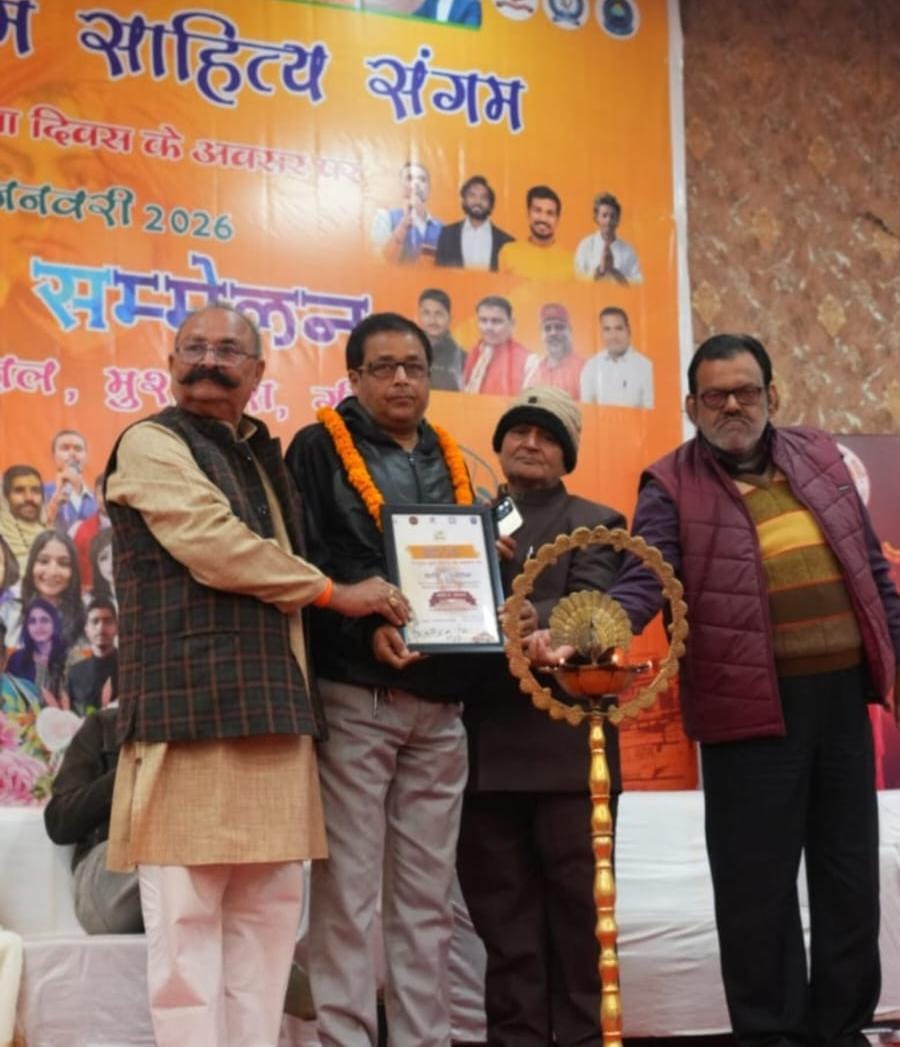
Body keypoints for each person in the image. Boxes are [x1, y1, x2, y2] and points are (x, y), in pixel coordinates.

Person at [103, 303, 407, 1046]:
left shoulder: (261, 454)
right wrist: (337, 593)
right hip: (186, 713)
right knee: (184, 932)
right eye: (194, 347)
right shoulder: (150, 442)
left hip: (274, 712)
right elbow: (215, 544)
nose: (209, 361)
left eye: (229, 350)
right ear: (170, 362)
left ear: (258, 370)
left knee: (266, 933)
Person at [598, 334, 900, 1047]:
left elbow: (870, 569)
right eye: (716, 395)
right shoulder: (669, 483)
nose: (732, 405)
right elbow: (646, 579)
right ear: (691, 404)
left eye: (746, 391)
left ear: (772, 395)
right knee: (755, 894)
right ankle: (772, 1036)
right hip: (747, 713)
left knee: (850, 882)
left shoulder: (819, 456)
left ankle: (840, 1030)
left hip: (841, 705)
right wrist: (592, 628)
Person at [285, 311, 476, 1047]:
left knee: (427, 900)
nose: (401, 379)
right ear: (354, 377)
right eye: (385, 367)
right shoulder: (317, 449)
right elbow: (304, 566)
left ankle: (425, 1039)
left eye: (414, 367)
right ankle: (344, 1039)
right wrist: (364, 630)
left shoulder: (452, 456)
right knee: (349, 893)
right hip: (356, 697)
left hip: (442, 706)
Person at [457, 387, 625, 1046]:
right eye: (519, 432)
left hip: (570, 756)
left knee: (582, 921)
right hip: (484, 754)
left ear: (568, 454)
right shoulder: (462, 520)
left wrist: (539, 618)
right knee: (505, 928)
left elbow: (596, 608)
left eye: (548, 435)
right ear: (499, 446)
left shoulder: (598, 522)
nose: (530, 443)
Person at [44, 706, 144, 935]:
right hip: (108, 875)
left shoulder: (212, 731)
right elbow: (59, 823)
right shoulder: (105, 725)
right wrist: (131, 773)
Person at [15, 529, 85, 649]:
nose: (52, 572)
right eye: (43, 561)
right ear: (31, 566)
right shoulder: (11, 613)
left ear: (73, 571)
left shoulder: (88, 617)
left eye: (63, 563)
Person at [435, 175, 513, 272]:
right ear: (464, 201)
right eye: (472, 196)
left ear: (491, 204)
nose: (477, 202)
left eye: (483, 197)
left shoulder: (506, 241)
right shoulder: (447, 234)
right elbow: (439, 273)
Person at [580, 307, 654, 408]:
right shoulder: (591, 366)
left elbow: (651, 413)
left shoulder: (646, 368)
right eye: (607, 329)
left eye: (618, 328)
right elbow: (587, 409)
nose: (613, 336)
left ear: (628, 330)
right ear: (601, 333)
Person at [371, 161, 443, 264]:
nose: (416, 183)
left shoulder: (443, 229)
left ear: (429, 190)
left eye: (422, 179)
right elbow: (378, 261)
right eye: (410, 178)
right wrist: (402, 226)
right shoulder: (384, 217)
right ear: (400, 186)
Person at [498, 185, 573, 281]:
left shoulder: (571, 261)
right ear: (528, 214)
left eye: (550, 213)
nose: (543, 218)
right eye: (537, 210)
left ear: (557, 219)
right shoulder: (508, 253)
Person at [6, 597, 69, 705]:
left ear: (55, 623)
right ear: (27, 627)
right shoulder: (17, 659)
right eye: (32, 621)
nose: (38, 626)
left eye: (44, 620)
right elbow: (8, 695)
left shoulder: (69, 657)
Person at [463, 296, 530, 395]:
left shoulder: (527, 361)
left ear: (512, 323)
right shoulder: (474, 353)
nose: (488, 327)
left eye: (496, 321)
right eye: (483, 320)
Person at [574, 192, 643, 284]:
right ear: (596, 219)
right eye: (604, 215)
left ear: (618, 220)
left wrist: (614, 272)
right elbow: (576, 279)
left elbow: (638, 283)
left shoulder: (628, 250)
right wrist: (599, 271)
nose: (608, 220)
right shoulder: (586, 245)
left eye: (612, 216)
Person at [65, 598, 118, 715]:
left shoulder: (129, 668)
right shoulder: (75, 674)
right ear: (87, 630)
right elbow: (70, 718)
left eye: (107, 621)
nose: (101, 627)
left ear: (117, 627)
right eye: (95, 621)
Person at [523, 303, 584, 399]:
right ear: (541, 334)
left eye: (559, 327)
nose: (553, 333)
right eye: (547, 328)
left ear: (570, 331)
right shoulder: (533, 371)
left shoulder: (585, 370)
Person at [44, 429, 97, 531]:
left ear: (86, 456)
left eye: (78, 449)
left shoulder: (97, 499)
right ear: (54, 456)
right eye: (65, 448)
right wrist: (54, 505)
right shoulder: (42, 493)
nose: (72, 453)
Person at [417, 288, 467, 391]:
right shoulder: (406, 352)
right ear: (418, 317)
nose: (432, 320)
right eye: (426, 313)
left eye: (439, 314)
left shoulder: (462, 358)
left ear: (450, 318)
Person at [0, 464, 45, 573]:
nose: (29, 497)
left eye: (35, 491)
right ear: (6, 497)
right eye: (19, 490)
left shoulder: (53, 535)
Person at [70, 473, 109, 591]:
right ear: (95, 495)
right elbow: (75, 568)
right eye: (102, 492)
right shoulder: (82, 530)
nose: (107, 497)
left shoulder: (132, 527)